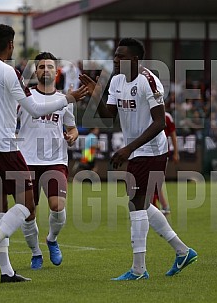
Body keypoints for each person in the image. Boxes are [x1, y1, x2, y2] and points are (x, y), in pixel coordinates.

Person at [0, 24, 87, 285]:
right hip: (6, 147)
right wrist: (68, 98)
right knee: (27, 206)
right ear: (10, 45)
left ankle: (5, 272)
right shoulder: (8, 72)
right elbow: (34, 109)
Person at [79, 38, 197, 280]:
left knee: (136, 205)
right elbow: (108, 116)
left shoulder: (148, 81)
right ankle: (182, 251)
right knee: (140, 203)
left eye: (120, 56)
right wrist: (96, 96)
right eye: (115, 55)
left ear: (133, 60)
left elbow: (159, 123)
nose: (114, 59)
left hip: (152, 150)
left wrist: (127, 148)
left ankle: (139, 270)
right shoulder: (117, 80)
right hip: (136, 151)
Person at [18, 52, 78, 270]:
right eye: (41, 66)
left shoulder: (64, 100)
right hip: (26, 160)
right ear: (36, 71)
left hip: (55, 160)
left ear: (57, 71)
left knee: (57, 205)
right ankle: (35, 253)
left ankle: (51, 239)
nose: (45, 70)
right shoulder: (25, 97)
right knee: (28, 212)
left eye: (49, 66)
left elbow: (72, 128)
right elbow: (8, 122)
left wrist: (72, 136)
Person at [152, 112, 179, 215]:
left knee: (155, 181)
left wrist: (176, 152)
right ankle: (162, 207)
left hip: (161, 153)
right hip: (147, 152)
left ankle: (154, 208)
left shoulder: (166, 116)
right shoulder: (146, 113)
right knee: (153, 181)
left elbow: (173, 134)